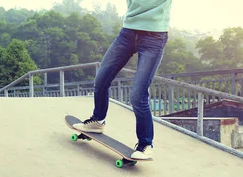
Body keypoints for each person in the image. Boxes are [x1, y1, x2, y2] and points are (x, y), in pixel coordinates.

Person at [73, 0, 172, 160]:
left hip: (154, 36)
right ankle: (97, 121)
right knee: (101, 79)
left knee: (137, 95)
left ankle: (145, 144)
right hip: (127, 33)